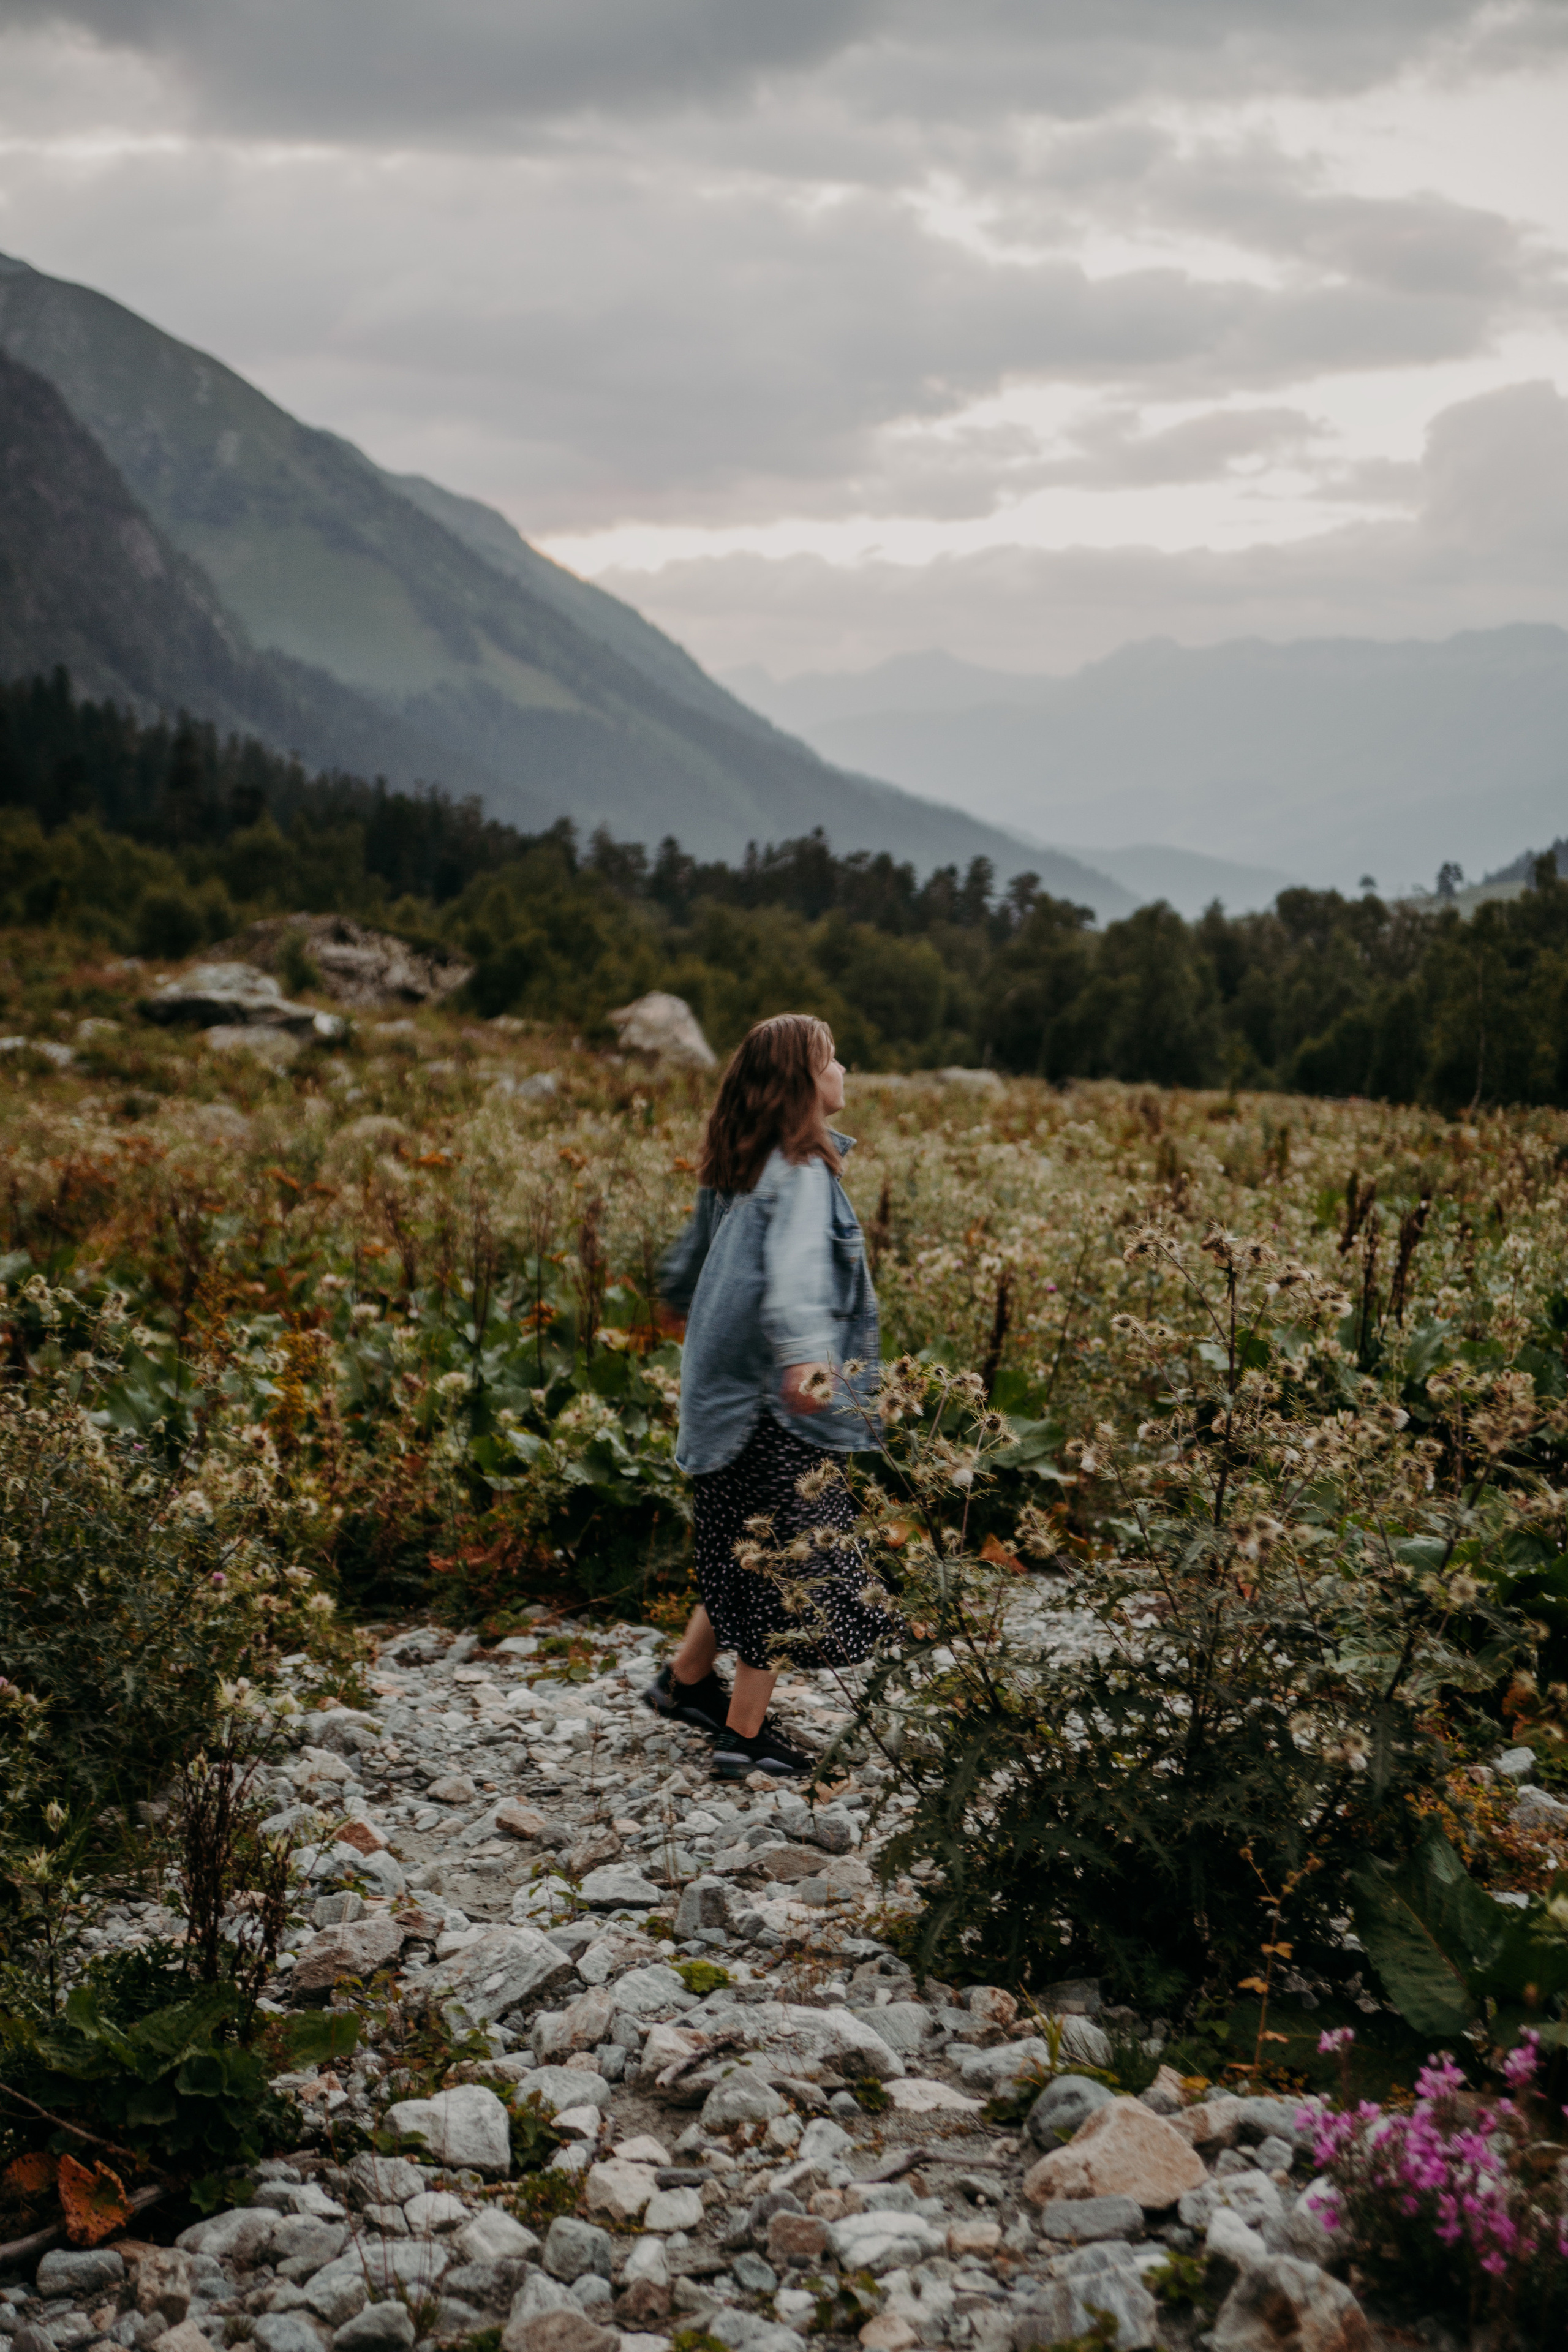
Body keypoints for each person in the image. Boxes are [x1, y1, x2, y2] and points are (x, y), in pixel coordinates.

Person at [643, 1012, 892, 1779]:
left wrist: (685, 1306)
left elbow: (690, 1261)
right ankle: (745, 1737)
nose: (845, 1068)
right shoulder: (801, 1170)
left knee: (737, 1549)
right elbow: (795, 1279)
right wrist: (805, 1363)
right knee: (790, 1563)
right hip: (775, 1404)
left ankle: (684, 1683)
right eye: (832, 1058)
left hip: (724, 1398)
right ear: (802, 1084)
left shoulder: (743, 1163)